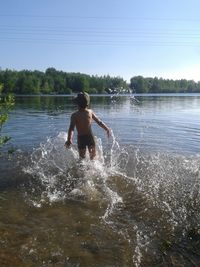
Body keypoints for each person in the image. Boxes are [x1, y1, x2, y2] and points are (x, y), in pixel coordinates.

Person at [65, 92, 110, 160]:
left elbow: (71, 129)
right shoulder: (90, 112)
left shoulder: (75, 115)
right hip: (90, 137)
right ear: (87, 103)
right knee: (93, 157)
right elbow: (99, 122)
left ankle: (82, 169)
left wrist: (69, 139)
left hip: (81, 138)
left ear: (77, 103)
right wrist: (106, 128)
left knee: (82, 158)